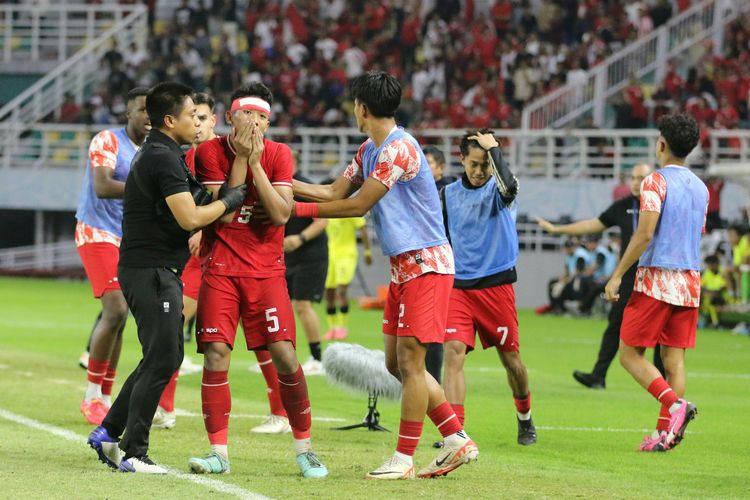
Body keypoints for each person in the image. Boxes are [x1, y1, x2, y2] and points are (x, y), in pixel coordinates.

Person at [293, 71, 477, 480]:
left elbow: (357, 205)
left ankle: (404, 457)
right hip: (402, 268)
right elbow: (332, 192)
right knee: (396, 365)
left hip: (426, 264)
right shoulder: (369, 149)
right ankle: (455, 438)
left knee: (411, 362)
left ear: (361, 107)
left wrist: (294, 210)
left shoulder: (399, 149)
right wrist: (280, 185)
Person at [87, 82, 248, 473]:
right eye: (193, 115)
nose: (199, 121)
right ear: (171, 120)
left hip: (154, 269)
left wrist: (239, 163)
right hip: (151, 270)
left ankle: (109, 432)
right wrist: (232, 198)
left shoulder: (165, 154)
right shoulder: (161, 157)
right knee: (164, 357)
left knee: (163, 355)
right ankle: (134, 452)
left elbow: (209, 204)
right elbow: (192, 218)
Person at [188, 82, 328, 478]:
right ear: (231, 117)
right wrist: (242, 161)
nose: (257, 122)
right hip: (221, 270)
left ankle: (305, 450)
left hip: (266, 271)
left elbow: (282, 214)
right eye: (249, 114)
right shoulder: (208, 153)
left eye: (264, 116)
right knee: (216, 356)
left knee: (285, 355)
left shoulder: (280, 154)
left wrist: (254, 166)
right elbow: (227, 214)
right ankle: (219, 454)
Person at [604, 113, 707, 452]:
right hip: (690, 279)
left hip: (658, 278)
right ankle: (665, 435)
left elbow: (645, 233)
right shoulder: (701, 189)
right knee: (673, 359)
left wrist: (618, 273)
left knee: (629, 355)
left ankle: (676, 406)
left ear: (661, 144)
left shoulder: (655, 182)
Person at [441, 129, 537, 447]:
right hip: (459, 287)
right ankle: (456, 433)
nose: (480, 171)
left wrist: (494, 150)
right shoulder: (448, 194)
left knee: (512, 362)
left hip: (497, 287)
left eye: (485, 164)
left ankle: (524, 417)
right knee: (452, 354)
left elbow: (508, 185)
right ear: (462, 160)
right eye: (474, 164)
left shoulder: (499, 191)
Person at [537, 163, 665, 389]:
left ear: (653, 179)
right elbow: (593, 225)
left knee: (661, 331)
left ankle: (663, 386)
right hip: (628, 277)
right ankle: (598, 375)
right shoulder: (623, 206)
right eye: (633, 178)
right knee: (615, 324)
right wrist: (558, 230)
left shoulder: (662, 205)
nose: (636, 183)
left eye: (642, 178)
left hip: (657, 276)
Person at [74, 87, 150, 425]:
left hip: (130, 238)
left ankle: (105, 395)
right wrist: (151, 185)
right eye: (142, 109)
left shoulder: (156, 150)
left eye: (154, 110)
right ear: (128, 113)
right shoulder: (107, 140)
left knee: (121, 318)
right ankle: (91, 395)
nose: (148, 116)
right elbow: (103, 185)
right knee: (116, 307)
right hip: (96, 232)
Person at [153, 91, 218, 430]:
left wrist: (202, 228)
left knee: (265, 341)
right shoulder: (185, 158)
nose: (197, 123)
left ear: (214, 122)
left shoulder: (226, 153)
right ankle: (165, 407)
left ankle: (280, 414)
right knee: (173, 326)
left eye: (203, 118)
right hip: (194, 260)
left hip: (229, 256)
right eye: (193, 117)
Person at [283, 151, 329, 374]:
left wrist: (299, 238)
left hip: (310, 255)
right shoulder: (279, 187)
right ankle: (285, 359)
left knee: (302, 305)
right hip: (287, 256)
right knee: (282, 307)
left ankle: (317, 358)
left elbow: (322, 221)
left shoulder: (305, 187)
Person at [422, 145, 455, 383]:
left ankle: (433, 381)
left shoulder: (451, 189)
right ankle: (426, 379)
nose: (424, 167)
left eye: (429, 163)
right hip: (421, 262)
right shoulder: (418, 188)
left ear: (441, 167)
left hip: (445, 263)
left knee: (435, 325)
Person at [323, 215, 372, 340]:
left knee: (342, 291)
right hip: (330, 255)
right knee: (329, 293)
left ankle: (342, 327)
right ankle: (332, 327)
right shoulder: (327, 210)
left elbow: (363, 227)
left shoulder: (347, 210)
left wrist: (367, 251)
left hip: (346, 255)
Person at [700, 254, 729, 328]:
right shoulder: (707, 273)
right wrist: (709, 293)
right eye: (708, 264)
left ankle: (710, 322)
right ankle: (713, 322)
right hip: (710, 296)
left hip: (722, 297)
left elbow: (722, 289)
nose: (709, 266)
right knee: (706, 300)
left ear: (716, 264)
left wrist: (709, 292)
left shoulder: (723, 272)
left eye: (710, 264)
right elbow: (702, 287)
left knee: (711, 300)